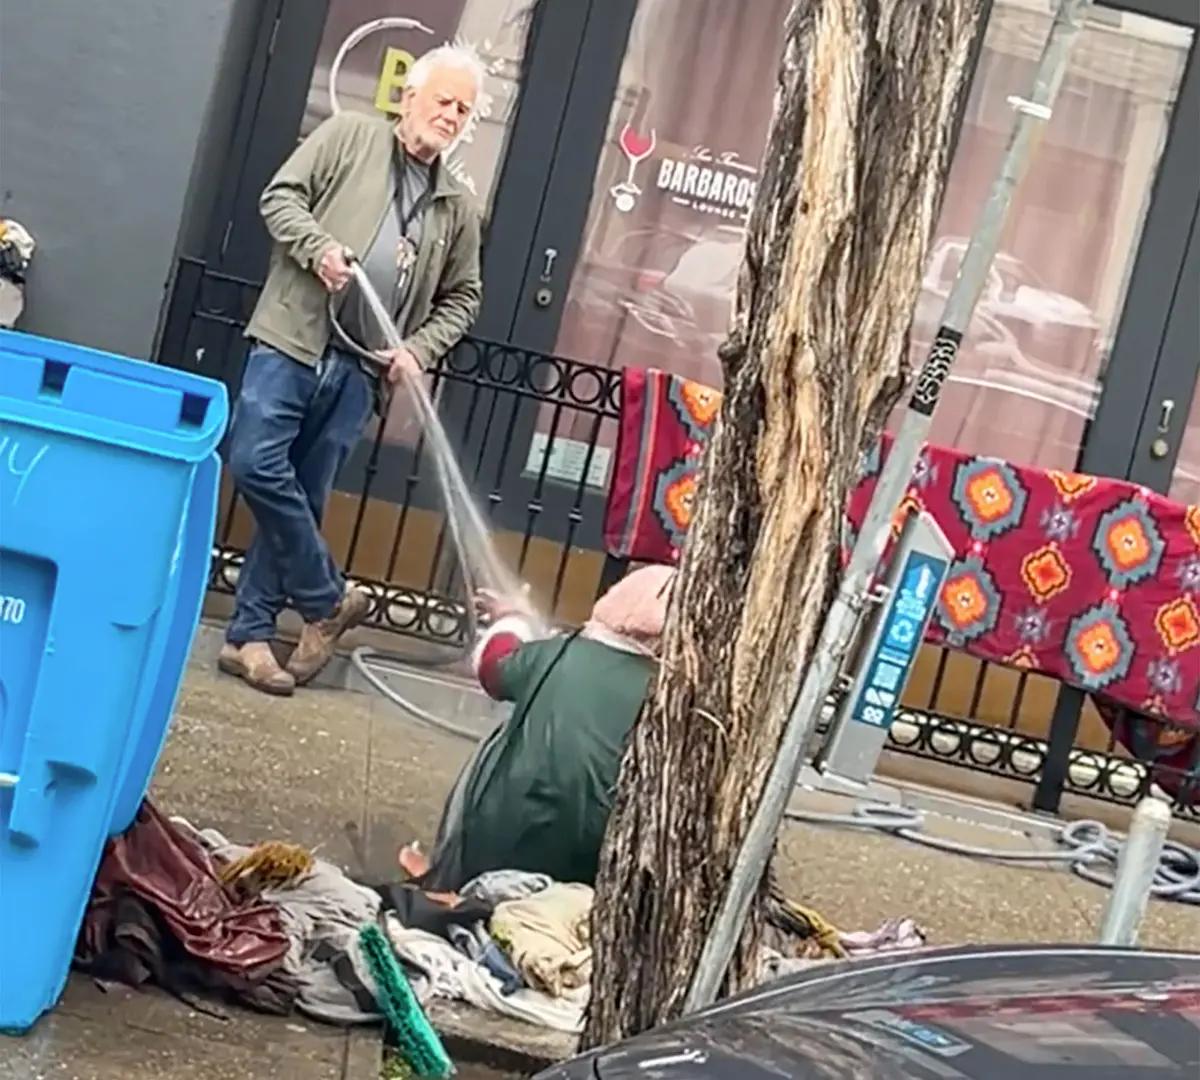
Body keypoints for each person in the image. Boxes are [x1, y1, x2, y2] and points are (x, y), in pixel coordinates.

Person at [219, 45, 485, 695]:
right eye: (442, 100)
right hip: (293, 338)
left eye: (463, 109)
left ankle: (248, 637)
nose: (451, 115)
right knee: (254, 460)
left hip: (361, 371)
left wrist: (419, 348)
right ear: (408, 97)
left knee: (303, 499)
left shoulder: (456, 205)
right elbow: (281, 197)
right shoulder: (348, 136)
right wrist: (317, 251)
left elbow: (465, 297)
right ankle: (326, 597)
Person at [402, 564, 675, 891]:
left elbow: (492, 665)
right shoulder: (670, 692)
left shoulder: (560, 654)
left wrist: (510, 621)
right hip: (594, 866)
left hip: (502, 839)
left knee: (499, 742)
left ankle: (445, 880)